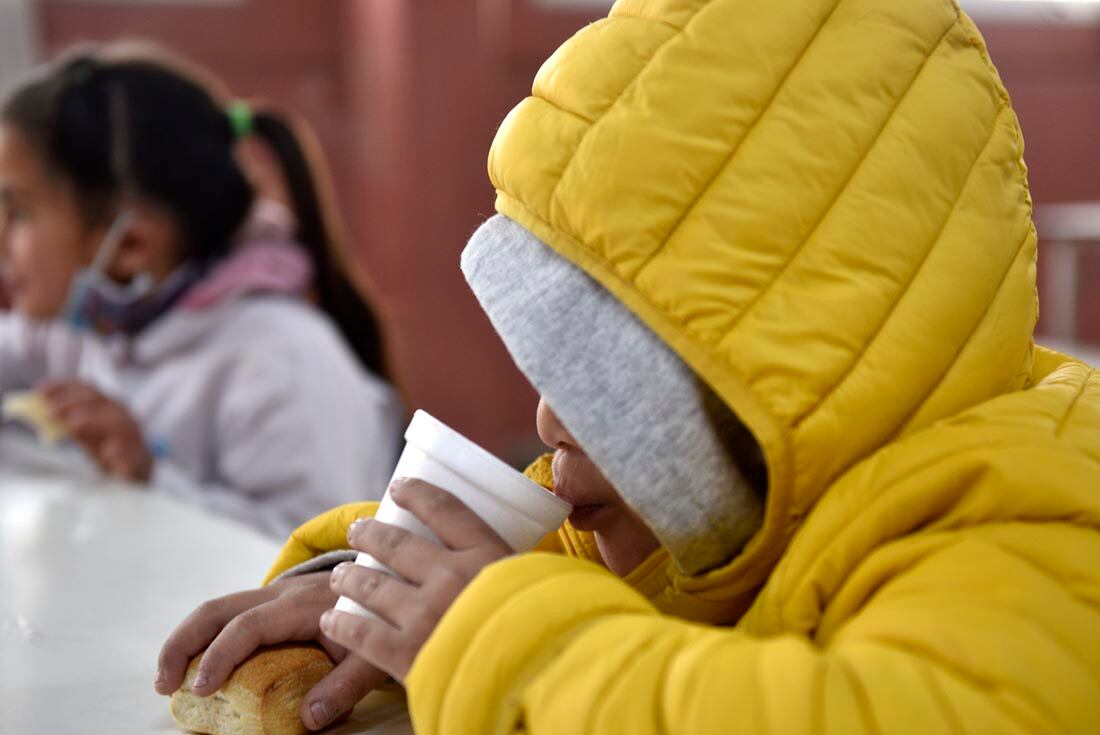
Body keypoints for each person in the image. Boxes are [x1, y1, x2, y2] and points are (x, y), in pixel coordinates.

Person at [156, 1, 1100, 732]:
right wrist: (374, 586)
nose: (551, 423)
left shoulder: (1028, 513)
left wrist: (499, 646)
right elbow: (589, 577)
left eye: (620, 393)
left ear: (786, 393)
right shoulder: (735, 518)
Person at [0, 44, 403, 538]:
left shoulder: (279, 362)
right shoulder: (96, 325)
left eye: (17, 212)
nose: (2, 236)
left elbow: (320, 562)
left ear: (129, 245)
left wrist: (152, 477)